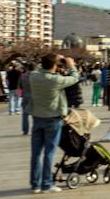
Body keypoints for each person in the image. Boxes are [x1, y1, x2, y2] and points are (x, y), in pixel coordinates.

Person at [29, 54, 80, 193]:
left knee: (35, 153)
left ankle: (35, 184)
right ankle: (46, 184)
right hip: (53, 119)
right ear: (54, 66)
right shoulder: (56, 80)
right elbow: (75, 78)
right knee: (49, 153)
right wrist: (70, 64)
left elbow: (38, 69)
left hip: (37, 118)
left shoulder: (33, 76)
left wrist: (51, 60)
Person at [19, 63, 35, 135]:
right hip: (35, 97)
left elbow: (20, 86)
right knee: (36, 115)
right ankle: (35, 129)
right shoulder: (37, 76)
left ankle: (25, 130)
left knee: (25, 115)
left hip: (25, 96)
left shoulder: (23, 76)